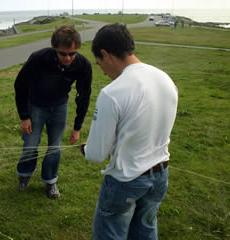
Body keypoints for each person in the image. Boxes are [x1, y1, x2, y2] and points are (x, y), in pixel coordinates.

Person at [79, 24, 178, 239]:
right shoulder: (165, 79)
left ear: (106, 54)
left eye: (100, 64)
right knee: (146, 229)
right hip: (160, 175)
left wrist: (86, 149)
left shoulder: (112, 93)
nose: (103, 72)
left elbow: (97, 154)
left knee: (110, 234)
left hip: (126, 181)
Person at [14, 24, 92, 199]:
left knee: (54, 147)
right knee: (30, 144)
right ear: (55, 48)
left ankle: (50, 182)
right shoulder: (38, 58)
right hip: (35, 106)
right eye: (63, 53)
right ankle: (25, 176)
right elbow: (20, 84)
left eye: (72, 54)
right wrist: (24, 116)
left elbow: (84, 95)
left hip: (59, 107)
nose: (68, 58)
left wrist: (77, 127)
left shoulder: (83, 65)